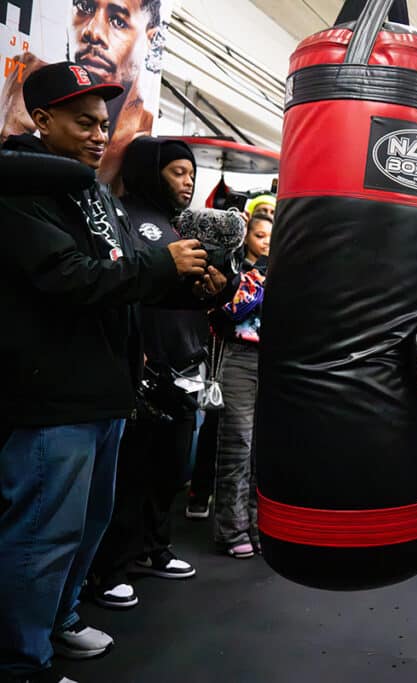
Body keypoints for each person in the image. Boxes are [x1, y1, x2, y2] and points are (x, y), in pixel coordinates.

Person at [0, 62, 219, 682]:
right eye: (83, 122)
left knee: (84, 530)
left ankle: (60, 622)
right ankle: (20, 663)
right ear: (41, 121)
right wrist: (159, 264)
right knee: (40, 540)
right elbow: (67, 278)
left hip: (104, 395)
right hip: (52, 399)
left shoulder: (90, 191)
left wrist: (194, 286)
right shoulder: (20, 190)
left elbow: (126, 279)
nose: (100, 134)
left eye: (104, 123)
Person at [89, 136, 234, 609]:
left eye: (191, 173)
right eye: (177, 172)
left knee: (170, 470)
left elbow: (192, 294)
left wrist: (219, 288)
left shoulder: (177, 225)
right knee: (130, 474)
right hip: (143, 367)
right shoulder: (124, 218)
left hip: (185, 363)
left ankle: (154, 548)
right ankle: (110, 568)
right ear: (152, 173)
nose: (188, 181)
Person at [213, 215, 271, 559]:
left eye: (271, 236)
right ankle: (231, 529)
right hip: (239, 357)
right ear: (246, 237)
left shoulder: (281, 268)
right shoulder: (233, 267)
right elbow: (227, 311)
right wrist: (257, 280)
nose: (266, 241)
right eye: (259, 234)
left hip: (273, 361)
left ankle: (260, 524)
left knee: (263, 449)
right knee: (238, 442)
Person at [69, 0, 163, 182]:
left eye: (118, 22)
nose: (93, 32)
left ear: (149, 39)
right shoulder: (37, 101)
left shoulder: (145, 148)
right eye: (85, 8)